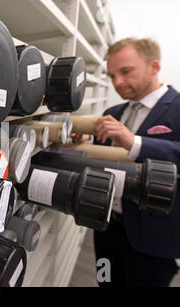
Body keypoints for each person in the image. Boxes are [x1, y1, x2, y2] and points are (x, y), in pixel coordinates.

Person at [73, 37, 180, 287]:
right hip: (106, 227)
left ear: (154, 67)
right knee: (106, 282)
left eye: (126, 71)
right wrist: (87, 137)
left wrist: (136, 142)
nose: (118, 82)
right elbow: (108, 151)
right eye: (112, 76)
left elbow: (133, 145)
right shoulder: (115, 112)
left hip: (152, 240)